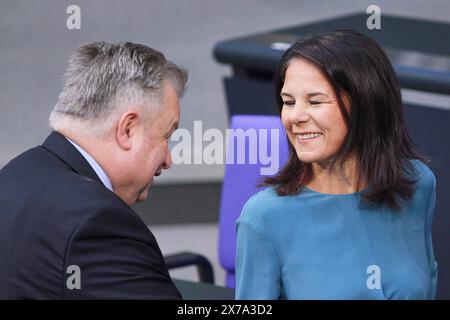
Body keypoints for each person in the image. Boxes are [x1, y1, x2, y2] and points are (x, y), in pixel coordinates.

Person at [235, 30, 438, 300]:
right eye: (288, 102)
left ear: (365, 103)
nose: (295, 117)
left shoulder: (418, 184)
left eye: (315, 101)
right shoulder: (264, 217)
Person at [0, 42, 187, 299]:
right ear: (128, 129)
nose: (168, 159)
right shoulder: (98, 225)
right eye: (167, 135)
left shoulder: (13, 176)